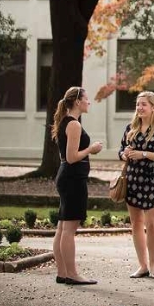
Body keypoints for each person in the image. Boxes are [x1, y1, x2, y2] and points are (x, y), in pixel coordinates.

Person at [52, 86, 103, 285]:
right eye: (86, 98)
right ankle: (72, 273)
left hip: (67, 177)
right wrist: (91, 149)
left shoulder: (65, 122)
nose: (88, 102)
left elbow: (64, 156)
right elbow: (72, 157)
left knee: (62, 227)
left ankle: (62, 272)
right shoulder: (73, 125)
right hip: (73, 179)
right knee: (68, 229)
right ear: (77, 102)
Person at [118, 91, 154, 279]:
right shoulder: (130, 128)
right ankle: (143, 265)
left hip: (152, 180)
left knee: (152, 225)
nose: (139, 108)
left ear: (153, 107)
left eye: (143, 104)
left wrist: (143, 154)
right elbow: (120, 151)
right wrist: (125, 154)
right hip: (132, 180)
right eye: (138, 104)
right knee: (136, 224)